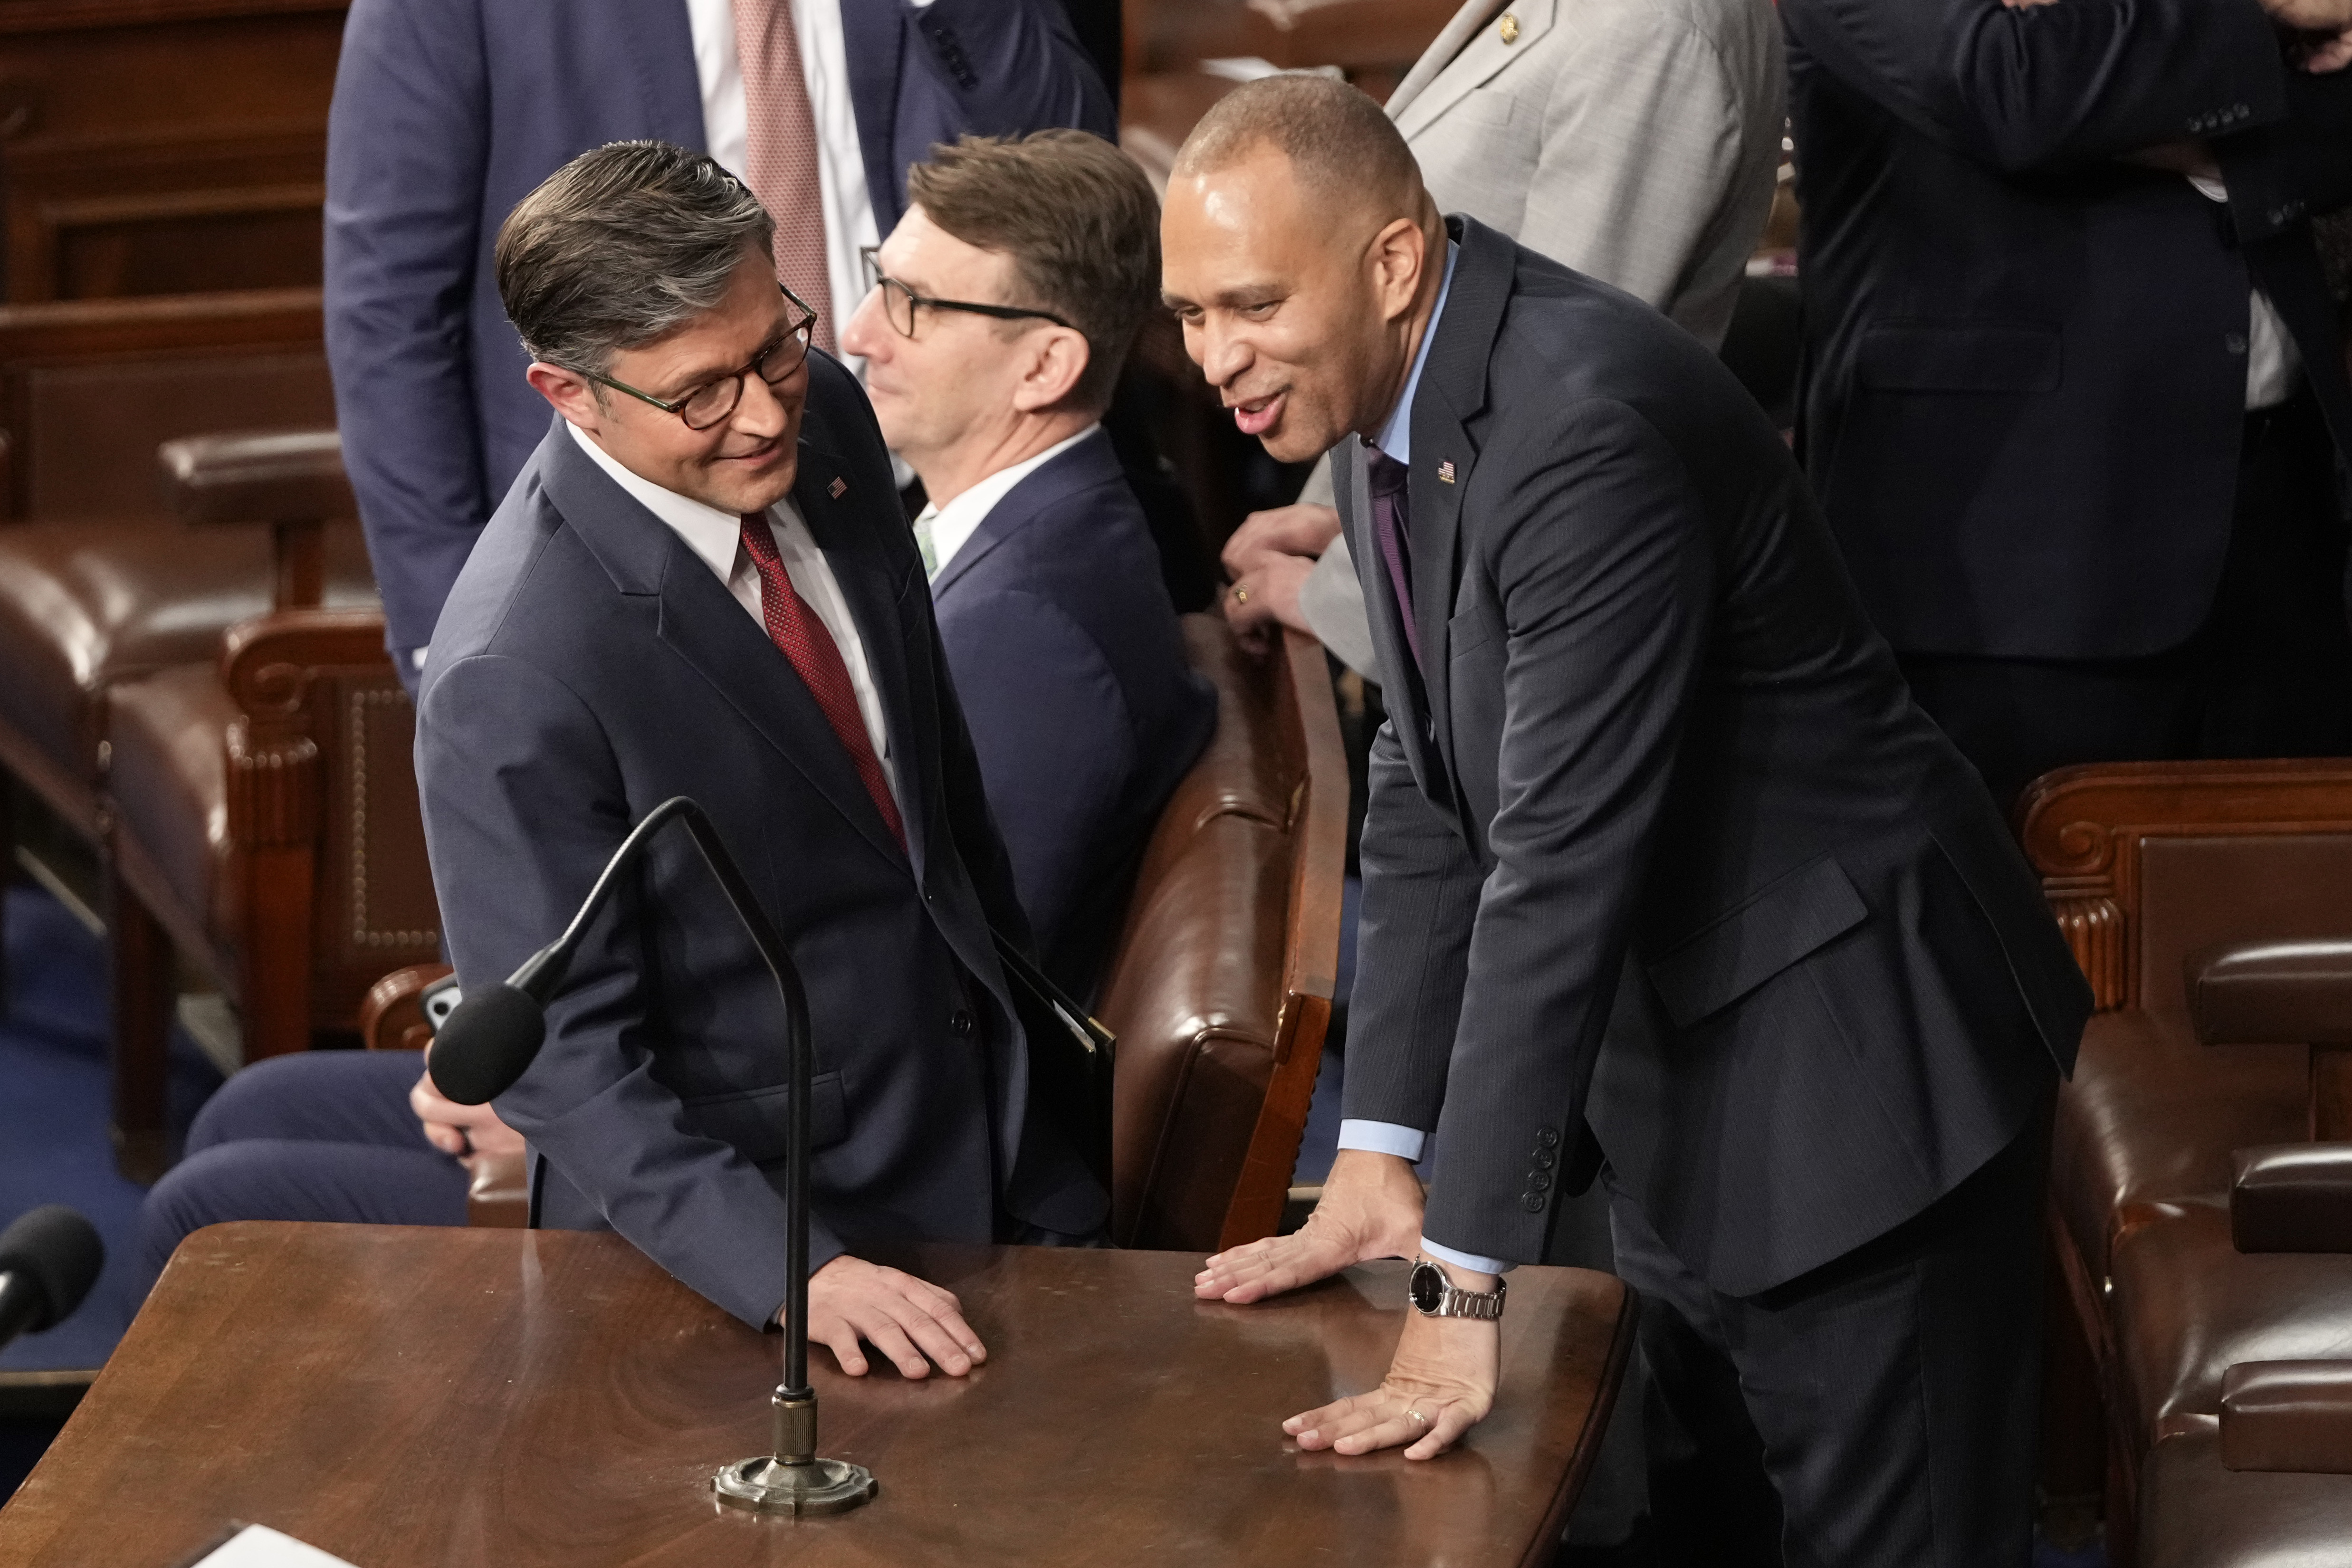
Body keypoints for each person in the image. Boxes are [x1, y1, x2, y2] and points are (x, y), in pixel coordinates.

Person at [1162, 76, 2091, 1564]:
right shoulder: (1366, 378)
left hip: (1852, 1077)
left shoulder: (1582, 423)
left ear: (1388, 260)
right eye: (1192, 313)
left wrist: (1460, 1288)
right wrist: (1377, 1147)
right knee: (1687, 1520)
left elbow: (1552, 866)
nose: (1215, 358)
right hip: (1673, 1077)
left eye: (1247, 304)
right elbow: (1423, 770)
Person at [416, 142, 1099, 1374]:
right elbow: (569, 1062)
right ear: (566, 392)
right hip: (765, 1250)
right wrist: (795, 1272)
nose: (769, 409)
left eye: (774, 344)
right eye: (701, 393)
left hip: (1001, 1140)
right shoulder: (512, 668)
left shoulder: (823, 411)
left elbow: (926, 787)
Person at [325, 0, 1114, 688]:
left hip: (928, 508)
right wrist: (448, 623)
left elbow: (1078, 196)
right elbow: (389, 310)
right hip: (623, 551)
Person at [1781, 0, 2352, 809]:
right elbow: (2014, 90)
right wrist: (2271, 14)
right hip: (2021, 552)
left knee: (2274, 914)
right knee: (2013, 923)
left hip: (2283, 523)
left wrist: (2168, 129)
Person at [1218, 0, 1786, 675]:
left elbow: (1540, 387)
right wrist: (1348, 529)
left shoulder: (1655, 28)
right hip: (1432, 558)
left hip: (1511, 622)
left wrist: (1342, 599)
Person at [838, 132, 1215, 997]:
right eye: (879, 280)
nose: (860, 334)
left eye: (914, 304)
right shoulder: (1043, 533)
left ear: (1045, 365)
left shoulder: (1027, 632)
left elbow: (941, 988)